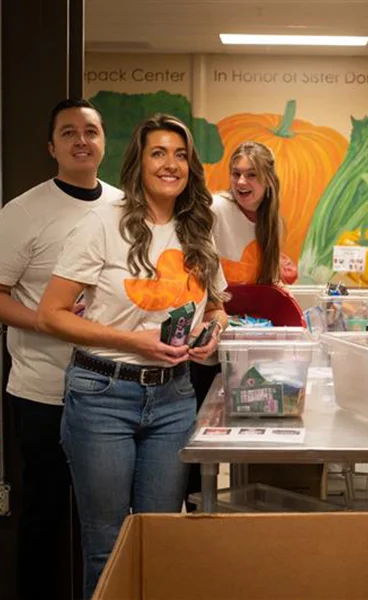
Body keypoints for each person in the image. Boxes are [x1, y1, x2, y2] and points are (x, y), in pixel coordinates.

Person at [37, 114, 228, 598]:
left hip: (174, 398)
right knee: (108, 545)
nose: (171, 164)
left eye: (180, 154)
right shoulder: (102, 223)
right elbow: (51, 315)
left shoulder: (199, 227)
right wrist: (133, 341)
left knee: (160, 537)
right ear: (138, 163)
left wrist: (214, 329)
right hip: (103, 394)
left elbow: (220, 303)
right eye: (158, 153)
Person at [0, 98, 122, 599]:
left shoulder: (123, 205)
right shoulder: (24, 211)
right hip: (44, 392)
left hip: (111, 393)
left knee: (107, 521)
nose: (81, 141)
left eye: (90, 131)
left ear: (103, 142)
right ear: (52, 146)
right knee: (45, 512)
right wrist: (50, 324)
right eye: (68, 133)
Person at [184, 141, 283, 506]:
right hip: (209, 342)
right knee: (197, 435)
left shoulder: (272, 221)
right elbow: (204, 271)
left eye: (251, 175)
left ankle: (243, 505)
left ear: (268, 180)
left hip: (243, 347)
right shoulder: (216, 208)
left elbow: (263, 288)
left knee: (243, 435)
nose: (242, 182)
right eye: (236, 173)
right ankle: (196, 507)